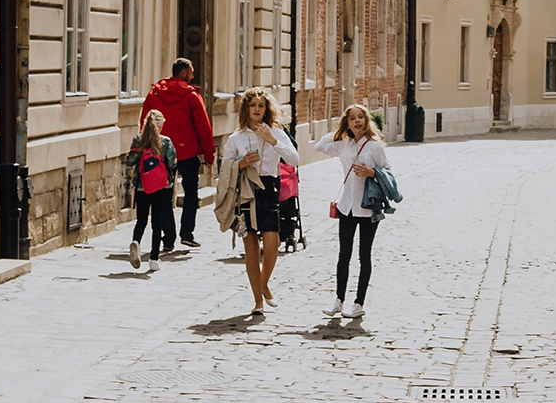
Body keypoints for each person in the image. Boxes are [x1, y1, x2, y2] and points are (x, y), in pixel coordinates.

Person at [222, 90, 299, 320]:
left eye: (261, 106)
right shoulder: (236, 138)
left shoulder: (276, 132)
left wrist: (273, 141)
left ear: (267, 109)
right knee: (251, 247)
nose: (257, 109)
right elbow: (225, 169)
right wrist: (242, 163)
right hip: (246, 194)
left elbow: (295, 160)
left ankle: (264, 284)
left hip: (269, 190)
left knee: (273, 243)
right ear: (245, 109)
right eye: (252, 105)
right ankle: (257, 301)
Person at [314, 102, 390, 323]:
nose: (357, 121)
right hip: (346, 206)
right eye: (353, 118)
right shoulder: (344, 145)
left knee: (364, 255)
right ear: (348, 122)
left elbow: (388, 173)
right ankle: (338, 300)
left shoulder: (375, 147)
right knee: (343, 254)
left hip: (368, 207)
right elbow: (320, 146)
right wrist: (338, 132)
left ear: (367, 122)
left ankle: (359, 303)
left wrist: (372, 172)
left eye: (361, 118)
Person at [141, 57, 216, 246]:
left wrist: (145, 148)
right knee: (191, 193)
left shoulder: (154, 94)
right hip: (187, 152)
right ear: (183, 73)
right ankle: (187, 234)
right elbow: (203, 127)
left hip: (161, 151)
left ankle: (168, 237)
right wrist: (209, 154)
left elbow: (145, 122)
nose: (192, 76)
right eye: (191, 72)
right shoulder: (191, 95)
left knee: (164, 194)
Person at [127, 109, 178, 269]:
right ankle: (154, 260)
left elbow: (130, 161)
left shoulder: (138, 140)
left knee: (141, 220)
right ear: (161, 124)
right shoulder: (165, 142)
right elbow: (172, 162)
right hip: (161, 188)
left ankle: (136, 241)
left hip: (142, 186)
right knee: (157, 223)